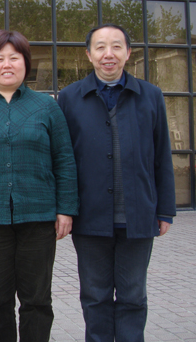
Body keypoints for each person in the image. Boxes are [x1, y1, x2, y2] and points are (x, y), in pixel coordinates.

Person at [0, 30, 79, 342]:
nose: (7, 64)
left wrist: (66, 209)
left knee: (36, 298)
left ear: (26, 63)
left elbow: (64, 159)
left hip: (39, 216)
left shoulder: (46, 106)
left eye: (14, 57)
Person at [57, 24, 176, 342]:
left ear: (128, 52)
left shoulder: (151, 96)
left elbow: (162, 156)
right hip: (90, 218)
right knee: (94, 296)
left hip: (138, 216)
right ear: (89, 54)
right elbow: (62, 160)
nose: (108, 54)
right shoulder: (69, 98)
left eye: (116, 46)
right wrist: (64, 209)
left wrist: (165, 210)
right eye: (100, 47)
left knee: (133, 296)